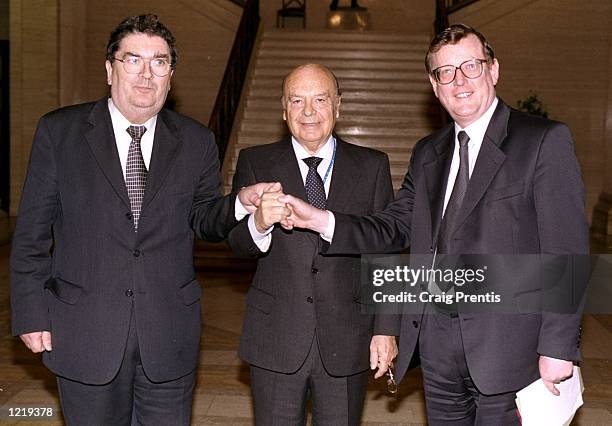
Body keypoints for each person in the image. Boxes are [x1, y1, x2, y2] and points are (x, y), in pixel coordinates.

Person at [278, 25, 589, 425]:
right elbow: (393, 227)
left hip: (513, 349)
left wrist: (559, 347)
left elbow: (567, 248)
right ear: (434, 84)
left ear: (493, 70)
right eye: (446, 72)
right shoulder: (429, 153)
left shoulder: (542, 141)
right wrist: (321, 219)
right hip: (437, 348)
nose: (459, 80)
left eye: (470, 66)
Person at [10, 14, 272, 425]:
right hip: (84, 333)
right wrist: (30, 313)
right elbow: (30, 236)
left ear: (171, 74)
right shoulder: (60, 132)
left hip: (168, 336)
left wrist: (238, 203)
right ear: (109, 68)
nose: (147, 74)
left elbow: (204, 219)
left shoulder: (196, 140)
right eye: (133, 60)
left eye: (160, 62)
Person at [228, 63, 398, 425]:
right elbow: (237, 245)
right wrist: (258, 223)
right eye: (297, 100)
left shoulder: (372, 166)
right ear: (283, 108)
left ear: (338, 105)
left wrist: (385, 329)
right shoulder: (256, 162)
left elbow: (385, 250)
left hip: (348, 338)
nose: (308, 111)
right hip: (276, 337)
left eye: (319, 99)